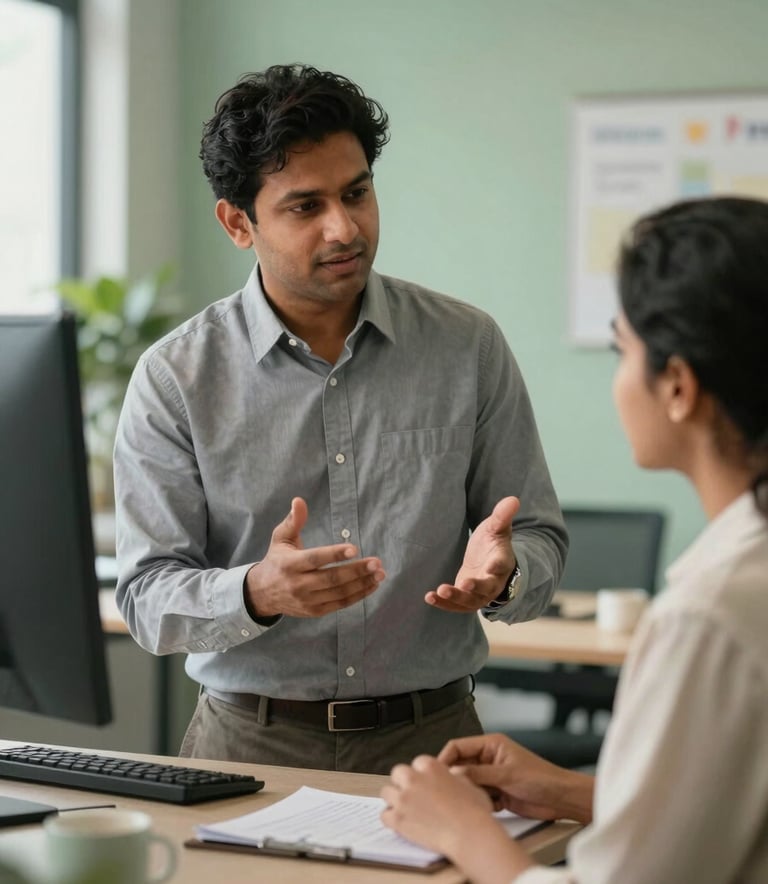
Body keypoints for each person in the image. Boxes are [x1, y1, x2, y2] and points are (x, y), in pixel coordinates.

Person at [113, 63, 567, 775]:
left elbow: (537, 532)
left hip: (435, 743)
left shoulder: (466, 345)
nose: (344, 227)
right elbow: (144, 596)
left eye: (357, 193)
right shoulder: (176, 378)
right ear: (239, 222)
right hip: (250, 747)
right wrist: (256, 592)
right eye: (305, 206)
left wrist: (507, 575)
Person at [380, 195, 768, 880]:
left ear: (677, 385)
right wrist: (574, 793)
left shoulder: (709, 619)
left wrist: (467, 832)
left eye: (623, 350)